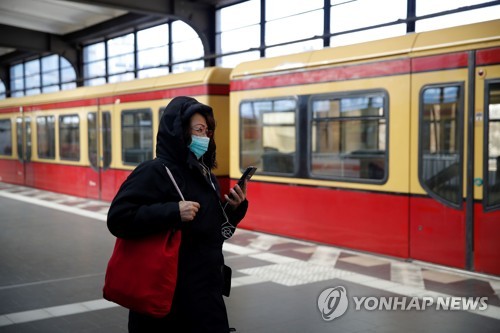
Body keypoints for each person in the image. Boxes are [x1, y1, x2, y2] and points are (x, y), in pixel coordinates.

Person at [107, 96, 248, 332]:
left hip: (205, 294)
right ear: (179, 131)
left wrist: (234, 211)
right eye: (198, 130)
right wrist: (172, 212)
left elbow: (216, 233)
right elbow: (118, 219)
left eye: (207, 131)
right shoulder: (154, 171)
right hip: (168, 299)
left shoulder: (205, 174)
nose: (204, 137)